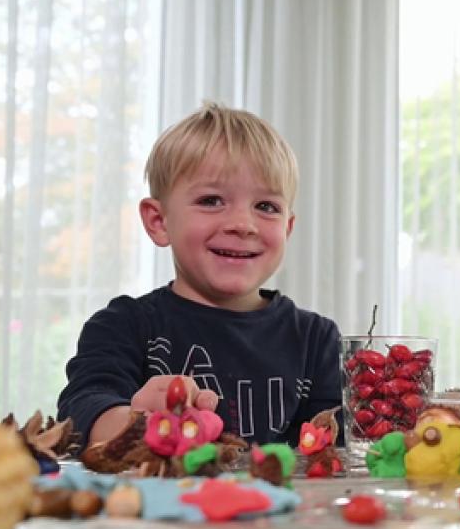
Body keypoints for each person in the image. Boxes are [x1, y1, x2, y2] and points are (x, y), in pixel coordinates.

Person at [58, 102, 342, 450]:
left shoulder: (317, 339)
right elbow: (82, 414)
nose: (242, 224)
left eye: (266, 207)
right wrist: (138, 422)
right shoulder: (123, 325)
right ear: (159, 221)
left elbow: (337, 455)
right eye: (211, 200)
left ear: (288, 227)